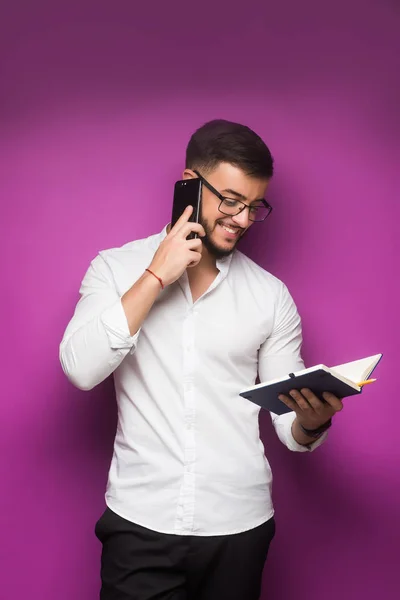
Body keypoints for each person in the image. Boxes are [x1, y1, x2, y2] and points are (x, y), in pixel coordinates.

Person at [60, 119, 343, 600]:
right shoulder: (114, 268)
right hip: (139, 523)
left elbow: (286, 421)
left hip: (240, 526)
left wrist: (310, 423)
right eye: (230, 201)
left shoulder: (270, 296)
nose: (241, 219)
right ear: (190, 184)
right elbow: (81, 369)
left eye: (255, 207)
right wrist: (156, 275)